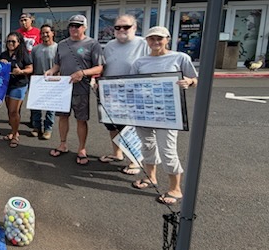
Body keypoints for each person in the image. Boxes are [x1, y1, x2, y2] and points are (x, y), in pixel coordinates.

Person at [130, 26, 198, 206]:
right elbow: (132, 85)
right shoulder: (139, 62)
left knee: (167, 150)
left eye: (159, 38)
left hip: (168, 114)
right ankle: (150, 177)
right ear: (147, 41)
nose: (155, 42)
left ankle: (175, 188)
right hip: (144, 112)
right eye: (151, 39)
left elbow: (195, 79)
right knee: (147, 145)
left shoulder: (180, 57)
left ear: (168, 39)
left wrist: (189, 81)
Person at [45, 14, 104, 166]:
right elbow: (57, 65)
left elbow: (99, 67)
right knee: (62, 117)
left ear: (84, 27)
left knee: (81, 119)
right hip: (63, 88)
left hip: (81, 88)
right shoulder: (62, 44)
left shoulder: (93, 44)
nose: (73, 28)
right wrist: (51, 71)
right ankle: (62, 144)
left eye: (77, 26)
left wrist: (82, 73)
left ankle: (81, 149)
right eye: (71, 25)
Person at [97, 15, 149, 173]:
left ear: (135, 27)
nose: (121, 30)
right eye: (117, 27)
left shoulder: (144, 44)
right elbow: (104, 67)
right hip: (111, 93)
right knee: (113, 125)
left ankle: (135, 160)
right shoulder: (109, 45)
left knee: (131, 128)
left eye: (126, 27)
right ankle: (117, 153)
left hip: (134, 93)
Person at [0, 31, 33, 148]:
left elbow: (30, 68)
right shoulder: (3, 54)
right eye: (8, 41)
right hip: (6, 85)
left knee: (14, 111)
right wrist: (1, 64)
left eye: (13, 41)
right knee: (10, 111)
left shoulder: (23, 54)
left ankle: (15, 136)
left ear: (19, 42)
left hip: (19, 84)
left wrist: (21, 71)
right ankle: (13, 131)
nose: (10, 43)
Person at [30, 24, 58, 140]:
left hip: (53, 82)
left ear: (53, 33)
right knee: (36, 107)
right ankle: (37, 127)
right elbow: (31, 65)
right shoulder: (35, 49)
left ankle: (48, 129)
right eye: (42, 33)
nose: (45, 35)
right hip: (38, 81)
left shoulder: (58, 48)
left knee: (50, 108)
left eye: (47, 32)